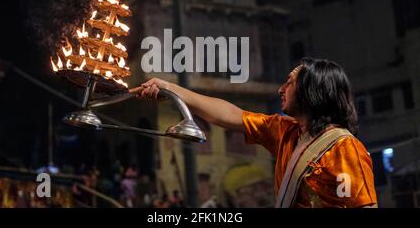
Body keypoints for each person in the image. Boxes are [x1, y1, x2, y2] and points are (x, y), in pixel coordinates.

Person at [139, 57, 378, 208]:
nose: (280, 89)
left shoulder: (345, 149)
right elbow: (229, 115)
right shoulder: (285, 131)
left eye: (290, 82)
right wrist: (169, 88)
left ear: (312, 90)